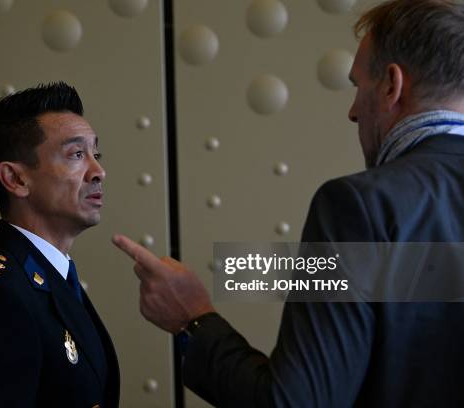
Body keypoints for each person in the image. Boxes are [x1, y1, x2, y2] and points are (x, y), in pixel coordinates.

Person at [113, 0, 464, 406]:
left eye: (358, 86)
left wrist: (194, 317)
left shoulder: (363, 205)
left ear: (391, 85)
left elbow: (296, 402)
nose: (353, 112)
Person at [0, 82, 119, 407]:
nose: (98, 171)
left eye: (96, 154)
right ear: (16, 179)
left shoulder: (48, 279)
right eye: (76, 154)